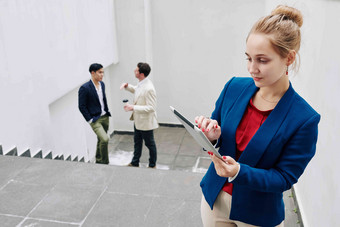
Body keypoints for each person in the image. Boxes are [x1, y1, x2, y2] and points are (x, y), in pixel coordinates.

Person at [196, 5, 320, 227]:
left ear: (289, 58)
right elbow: (215, 139)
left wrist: (239, 172)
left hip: (258, 216)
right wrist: (212, 136)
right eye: (248, 58)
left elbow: (284, 177)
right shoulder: (234, 87)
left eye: (262, 60)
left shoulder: (304, 119)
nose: (252, 68)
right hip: (214, 202)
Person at [120, 62, 158, 168]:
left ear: (141, 73)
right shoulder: (142, 83)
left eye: (136, 70)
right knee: (137, 143)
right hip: (138, 121)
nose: (134, 71)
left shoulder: (149, 88)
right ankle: (135, 162)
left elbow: (151, 108)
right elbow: (137, 90)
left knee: (150, 144)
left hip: (146, 122)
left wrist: (133, 107)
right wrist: (127, 86)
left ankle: (152, 164)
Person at [78, 63, 111, 164]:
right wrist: (90, 119)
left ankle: (98, 160)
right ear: (93, 73)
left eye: (103, 72)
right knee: (105, 139)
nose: (102, 75)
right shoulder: (85, 88)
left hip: (105, 117)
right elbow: (81, 106)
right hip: (95, 119)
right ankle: (105, 163)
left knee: (101, 140)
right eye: (100, 72)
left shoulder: (102, 85)